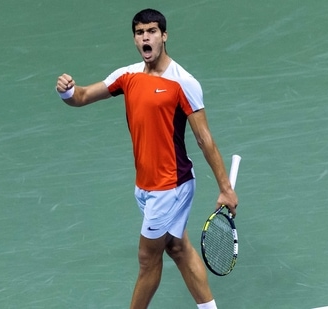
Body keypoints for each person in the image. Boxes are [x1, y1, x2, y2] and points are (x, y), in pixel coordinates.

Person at [55, 8, 238, 309]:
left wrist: (225, 188)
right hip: (146, 186)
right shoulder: (127, 76)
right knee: (178, 249)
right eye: (140, 33)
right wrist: (66, 91)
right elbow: (83, 96)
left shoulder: (183, 82)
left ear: (164, 36)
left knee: (147, 259)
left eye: (152, 31)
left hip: (171, 186)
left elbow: (204, 139)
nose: (145, 38)